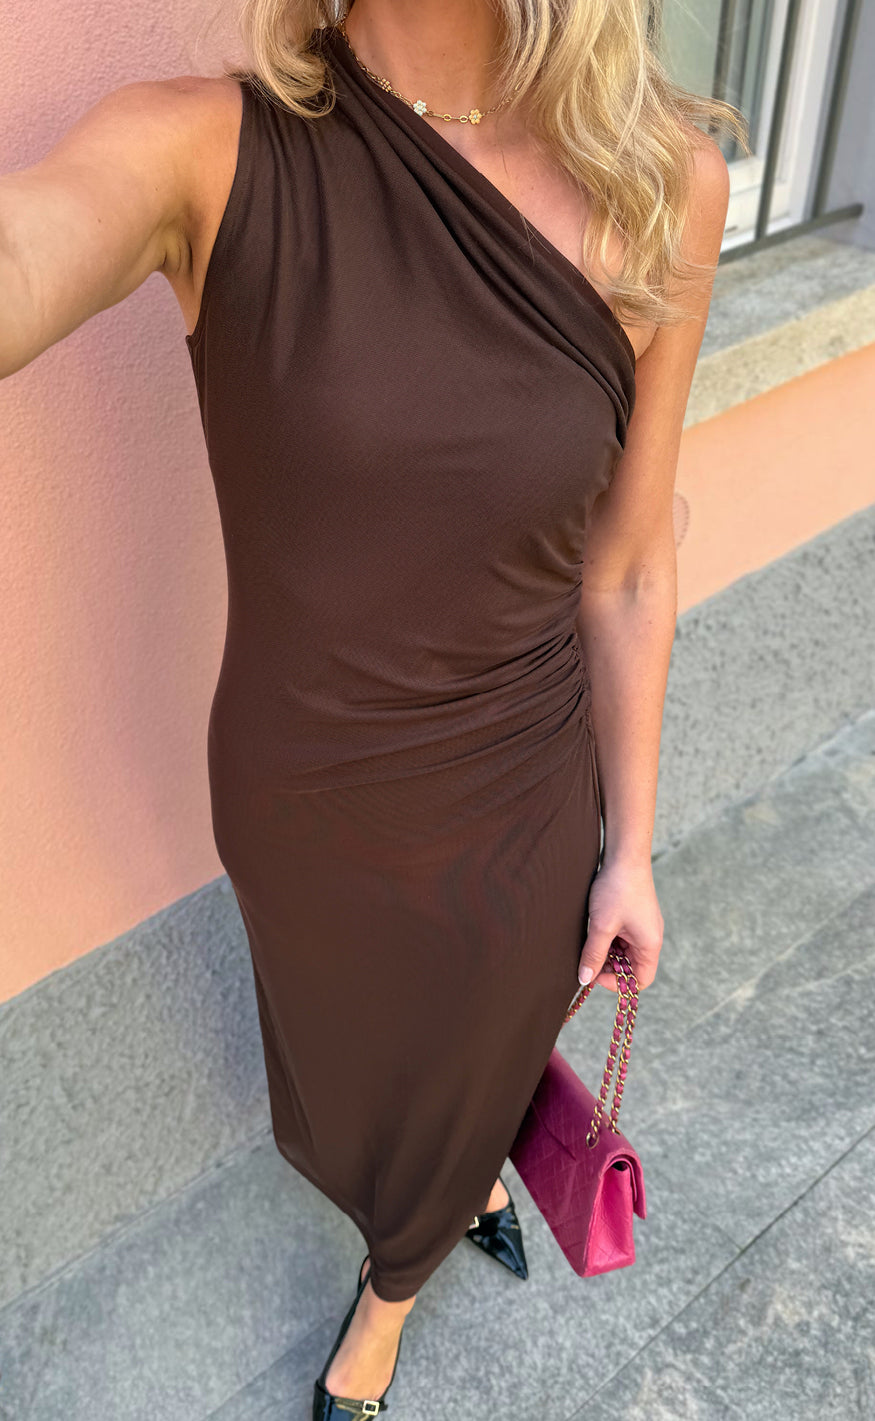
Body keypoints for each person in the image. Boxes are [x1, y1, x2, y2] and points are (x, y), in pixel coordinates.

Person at [1, 1, 746, 1414]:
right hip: (308, 810)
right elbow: (27, 247)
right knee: (355, 1086)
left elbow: (631, 560)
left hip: (523, 796)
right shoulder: (206, 152)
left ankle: (393, 1288)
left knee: (481, 1052)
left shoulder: (662, 183)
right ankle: (434, 1189)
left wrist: (633, 848)